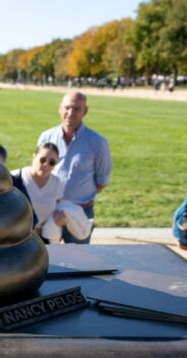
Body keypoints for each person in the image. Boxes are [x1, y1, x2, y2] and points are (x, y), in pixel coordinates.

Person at [37, 91, 112, 244]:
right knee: (48, 259)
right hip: (50, 210)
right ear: (60, 108)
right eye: (67, 108)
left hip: (80, 212)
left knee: (79, 261)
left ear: (85, 111)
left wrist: (73, 204)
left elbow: (102, 181)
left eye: (77, 109)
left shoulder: (97, 142)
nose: (70, 113)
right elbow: (39, 172)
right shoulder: (46, 137)